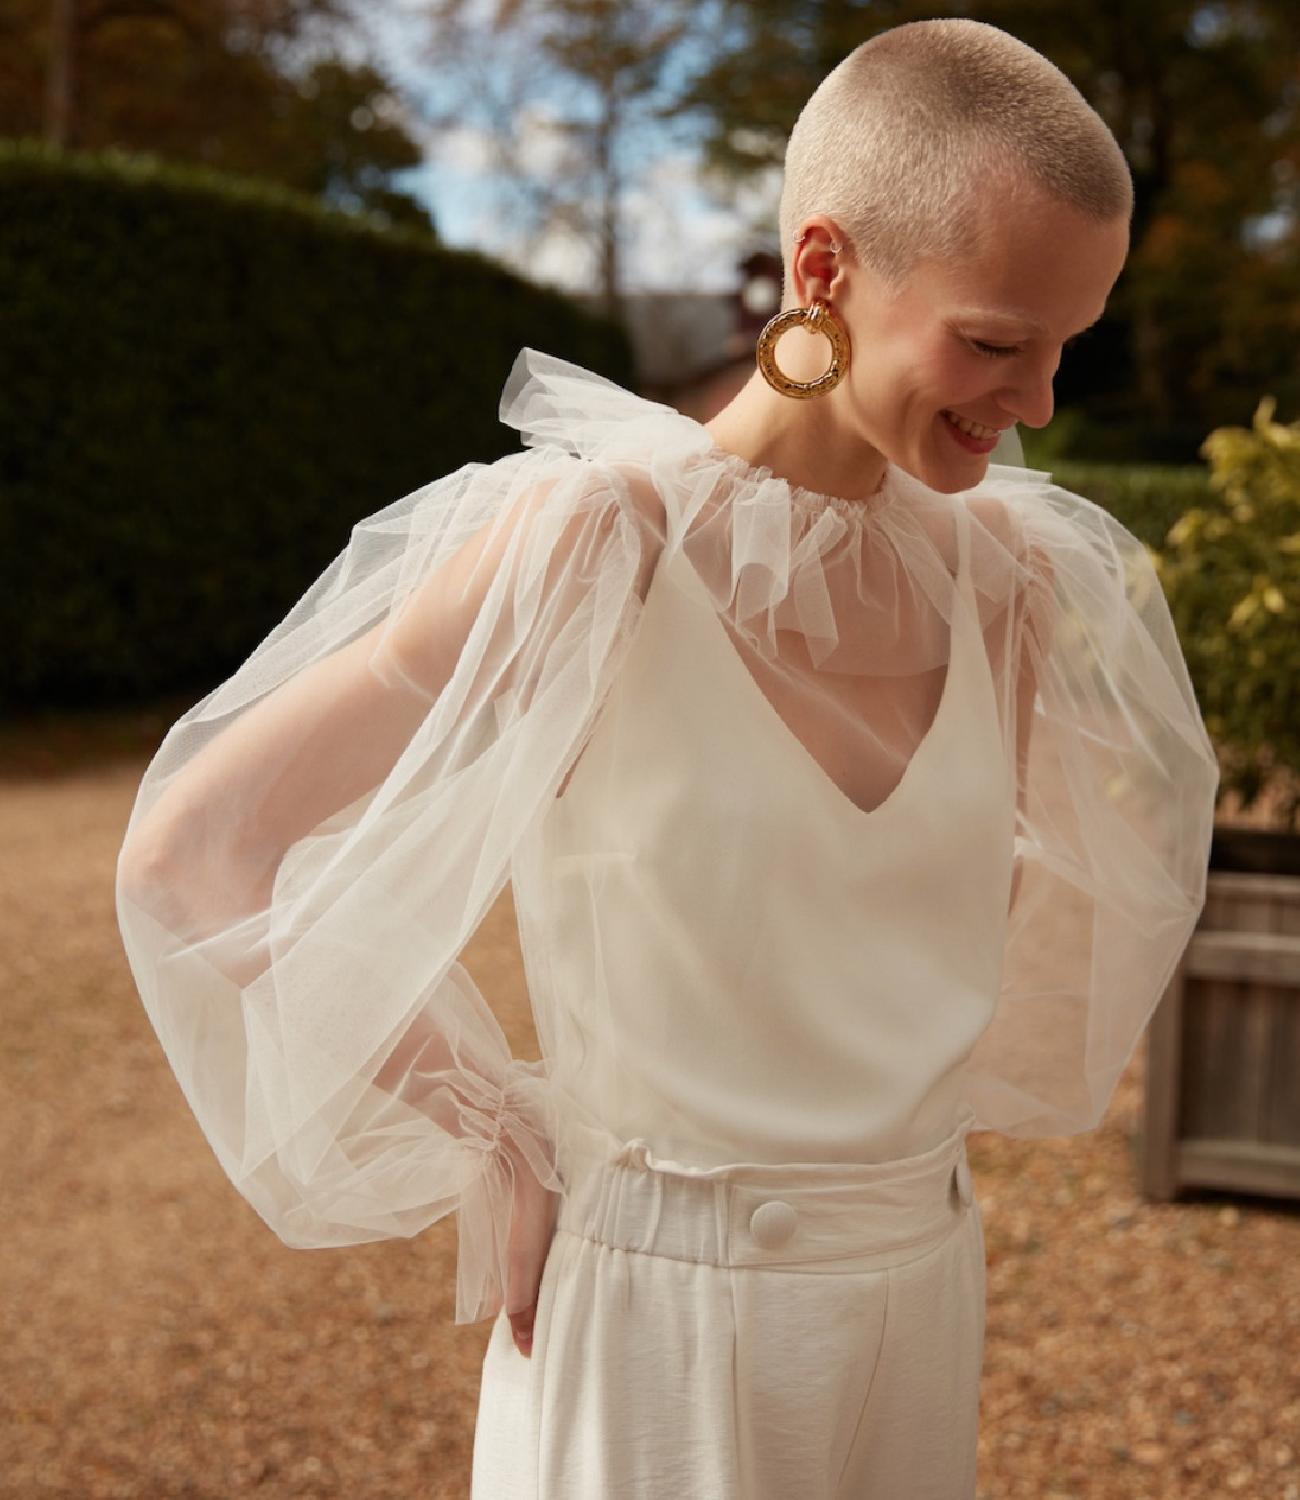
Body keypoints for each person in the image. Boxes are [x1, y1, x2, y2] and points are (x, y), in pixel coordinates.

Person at [114, 17, 1220, 1499]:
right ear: (824, 269)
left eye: (1064, 345)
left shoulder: (1007, 580)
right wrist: (492, 1124)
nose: (1038, 407)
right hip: (650, 1332)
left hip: (920, 1301)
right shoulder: (598, 547)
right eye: (996, 343)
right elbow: (193, 850)